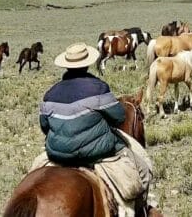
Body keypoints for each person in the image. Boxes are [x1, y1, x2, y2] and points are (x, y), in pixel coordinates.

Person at [34, 43, 154, 216]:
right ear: (87, 64)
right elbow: (119, 117)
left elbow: (44, 126)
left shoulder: (50, 93)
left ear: (67, 65)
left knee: (35, 172)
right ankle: (143, 209)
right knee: (141, 168)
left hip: (58, 154)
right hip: (97, 152)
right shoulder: (98, 87)